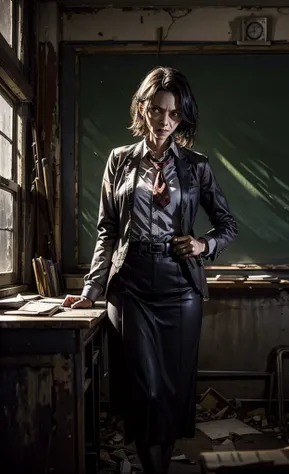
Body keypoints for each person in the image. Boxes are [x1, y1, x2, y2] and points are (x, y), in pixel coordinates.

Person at [62, 66, 237, 473]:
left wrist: (202, 244)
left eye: (174, 114)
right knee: (147, 390)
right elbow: (107, 230)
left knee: (172, 393)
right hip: (131, 285)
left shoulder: (197, 166)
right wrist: (91, 290)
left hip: (181, 286)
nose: (164, 121)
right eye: (157, 110)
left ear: (183, 117)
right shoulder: (119, 161)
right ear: (142, 109)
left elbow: (228, 226)